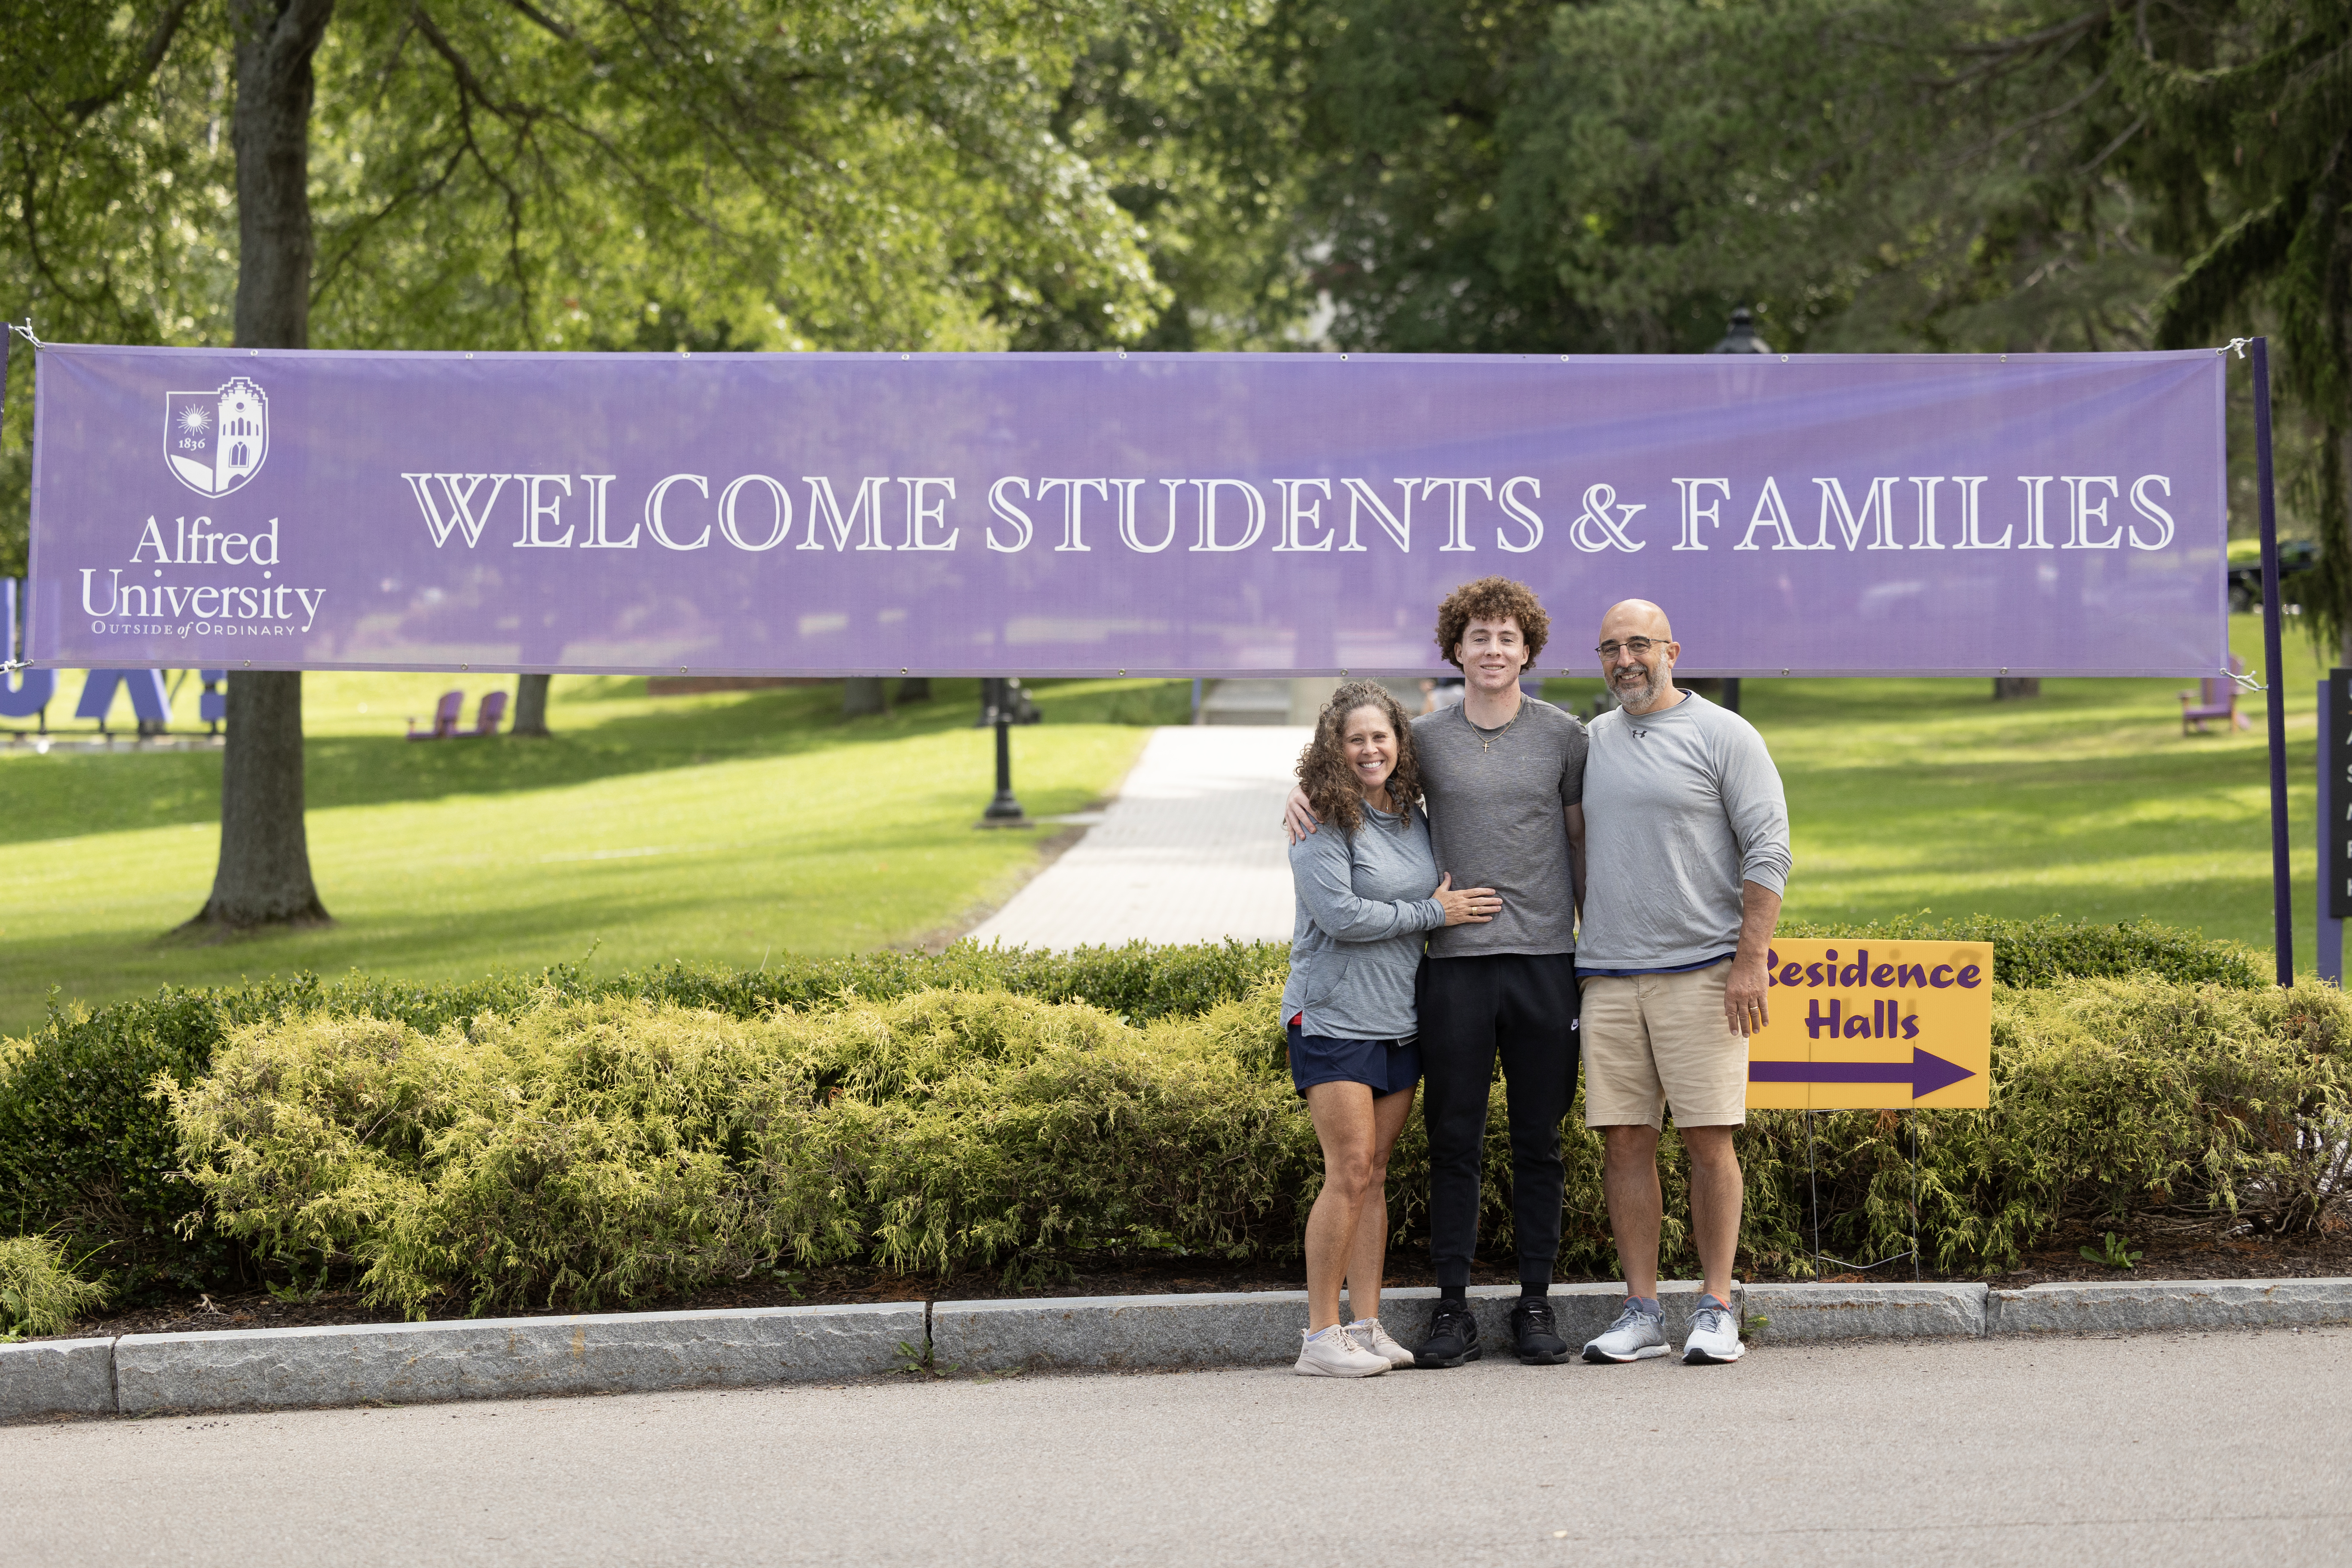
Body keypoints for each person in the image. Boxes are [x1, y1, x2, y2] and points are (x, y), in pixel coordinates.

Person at [1287, 579, 1587, 1368]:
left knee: (1538, 1143)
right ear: (1455, 649)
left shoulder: (1567, 737)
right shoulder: (1422, 738)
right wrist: (1300, 795)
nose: (1493, 651)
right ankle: (1451, 1309)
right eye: (1478, 637)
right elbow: (1356, 767)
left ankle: (1533, 1304)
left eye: (1507, 638)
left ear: (1529, 650)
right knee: (1452, 1142)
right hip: (1451, 971)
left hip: (1546, 962)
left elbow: (1588, 841)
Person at [1574, 598, 1790, 1367]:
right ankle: (1641, 1312)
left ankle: (1716, 1309)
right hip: (1607, 978)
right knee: (1625, 1142)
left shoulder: (1725, 734)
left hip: (1704, 976)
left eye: (1639, 645)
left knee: (1709, 1141)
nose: (1625, 659)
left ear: (1672, 650)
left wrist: (1750, 960)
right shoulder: (1592, 740)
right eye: (1610, 648)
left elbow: (1769, 849)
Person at [1283, 680, 1500, 1377]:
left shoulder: (1413, 817)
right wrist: (1435, 914)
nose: (1370, 749)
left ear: (1399, 744)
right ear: (1333, 750)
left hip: (1399, 1024)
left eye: (1381, 737)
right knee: (1346, 1171)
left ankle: (1367, 1325)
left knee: (1374, 1175)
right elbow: (1342, 917)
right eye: (1355, 740)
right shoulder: (1320, 819)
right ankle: (1320, 1337)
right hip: (1334, 1019)